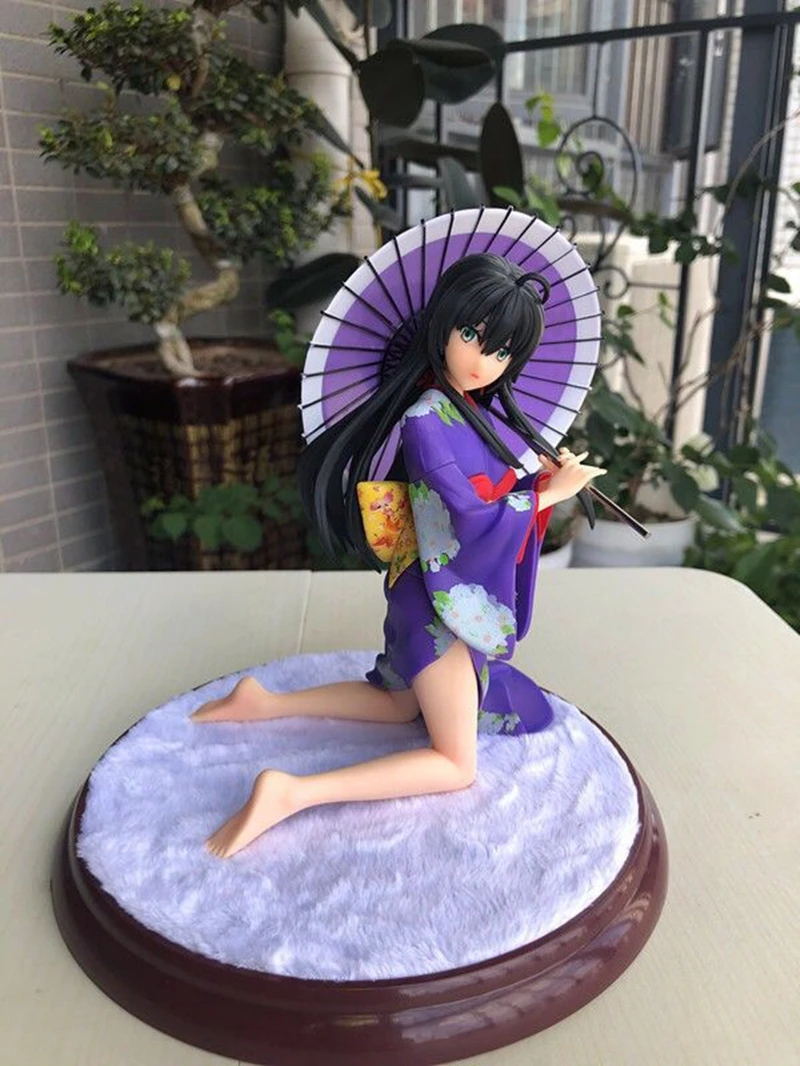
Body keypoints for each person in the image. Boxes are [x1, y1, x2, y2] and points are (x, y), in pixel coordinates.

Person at [192, 253, 605, 857]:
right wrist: (547, 496)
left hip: (430, 588)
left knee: (396, 705)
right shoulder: (425, 418)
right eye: (472, 335)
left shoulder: (469, 411)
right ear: (442, 324)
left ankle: (263, 701)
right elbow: (464, 516)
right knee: (456, 764)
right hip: (439, 601)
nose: (483, 361)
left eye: (501, 352)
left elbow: (484, 497)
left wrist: (535, 483)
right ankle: (291, 792)